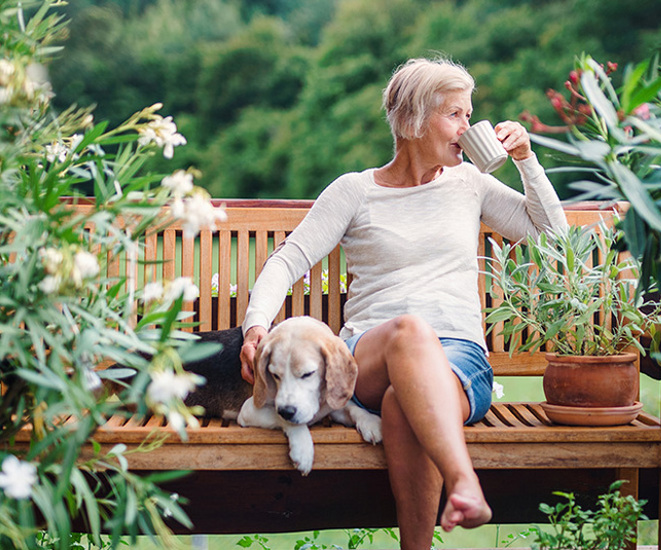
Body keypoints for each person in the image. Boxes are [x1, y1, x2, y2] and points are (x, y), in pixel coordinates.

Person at [238, 57, 568, 549]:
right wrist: (254, 327)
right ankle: (464, 483)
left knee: (401, 403)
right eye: (455, 114)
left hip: (458, 358)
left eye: (469, 114)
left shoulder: (469, 185)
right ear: (413, 121)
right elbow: (288, 261)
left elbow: (554, 239)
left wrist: (525, 159)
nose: (468, 127)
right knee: (410, 331)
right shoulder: (355, 191)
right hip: (369, 354)